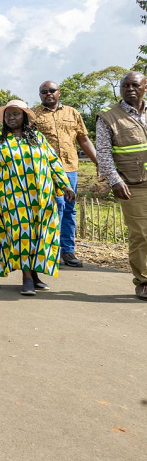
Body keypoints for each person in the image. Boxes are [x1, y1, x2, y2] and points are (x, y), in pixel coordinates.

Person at [0, 100, 74, 295]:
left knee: (39, 234)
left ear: (24, 117)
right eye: (8, 115)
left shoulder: (38, 138)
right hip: (13, 198)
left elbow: (53, 162)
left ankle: (35, 275)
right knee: (22, 234)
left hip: (41, 196)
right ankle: (27, 277)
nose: (11, 118)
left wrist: (65, 185)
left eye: (16, 114)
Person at [32, 80, 98, 268]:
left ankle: (68, 251)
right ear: (40, 95)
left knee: (69, 209)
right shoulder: (33, 115)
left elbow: (83, 140)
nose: (48, 93)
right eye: (44, 91)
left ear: (59, 93)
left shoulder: (72, 113)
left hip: (70, 169)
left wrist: (99, 162)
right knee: (54, 207)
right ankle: (51, 251)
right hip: (46, 170)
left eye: (52, 90)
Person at [96, 72, 147, 300]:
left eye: (135, 85)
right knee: (141, 235)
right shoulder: (108, 117)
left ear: (145, 86)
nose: (130, 89)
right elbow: (103, 153)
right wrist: (115, 180)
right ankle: (143, 281)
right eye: (125, 86)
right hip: (133, 185)